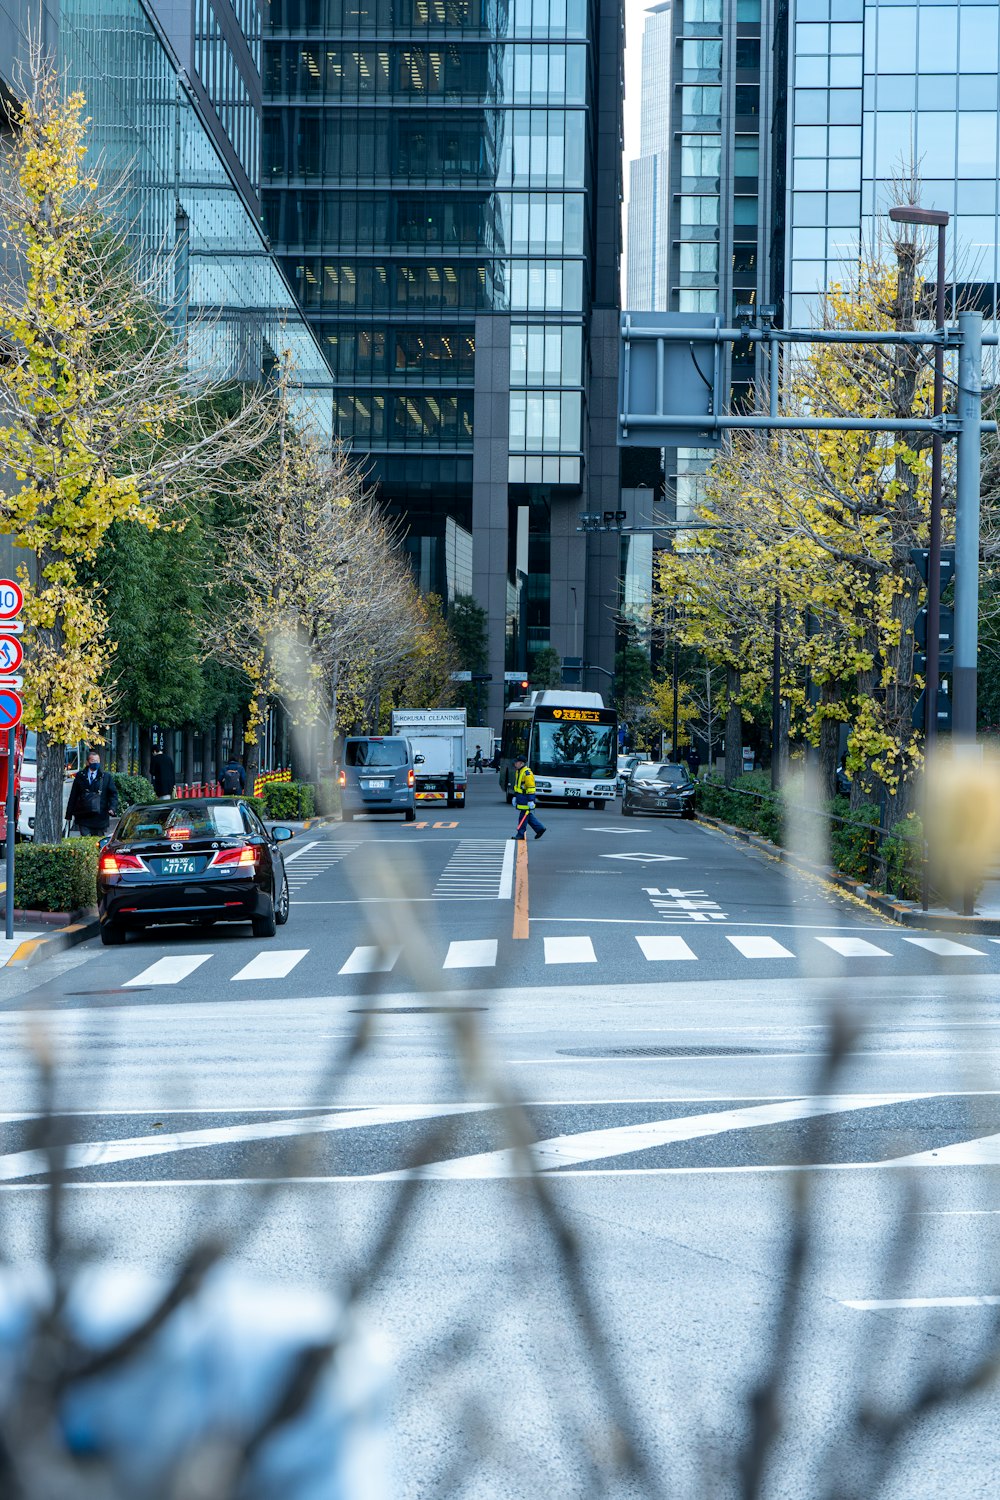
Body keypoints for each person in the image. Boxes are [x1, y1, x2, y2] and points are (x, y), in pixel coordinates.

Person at [65, 749, 118, 837]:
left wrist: (112, 808)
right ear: (88, 762)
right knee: (85, 837)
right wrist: (69, 814)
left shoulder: (106, 777)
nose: (95, 763)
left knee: (98, 840)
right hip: (83, 815)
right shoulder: (80, 776)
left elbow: (113, 794)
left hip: (100, 816)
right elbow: (73, 795)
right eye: (93, 761)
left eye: (97, 761)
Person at [512, 753, 546, 841]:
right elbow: (518, 786)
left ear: (522, 763)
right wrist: (515, 796)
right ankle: (540, 828)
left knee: (523, 817)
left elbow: (531, 788)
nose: (515, 764)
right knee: (527, 816)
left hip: (526, 799)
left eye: (517, 762)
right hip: (521, 798)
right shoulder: (519, 771)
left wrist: (531, 800)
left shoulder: (527, 773)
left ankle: (520, 834)